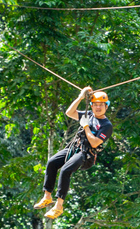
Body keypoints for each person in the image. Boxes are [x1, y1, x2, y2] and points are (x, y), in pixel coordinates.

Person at [33, 87, 113, 219]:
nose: (98, 108)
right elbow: (69, 112)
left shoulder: (106, 125)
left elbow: (94, 143)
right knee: (52, 162)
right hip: (74, 148)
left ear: (106, 107)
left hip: (86, 154)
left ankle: (58, 206)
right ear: (92, 106)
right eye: (95, 105)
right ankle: (47, 196)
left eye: (101, 105)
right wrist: (81, 97)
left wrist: (85, 126)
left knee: (65, 170)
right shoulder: (89, 114)